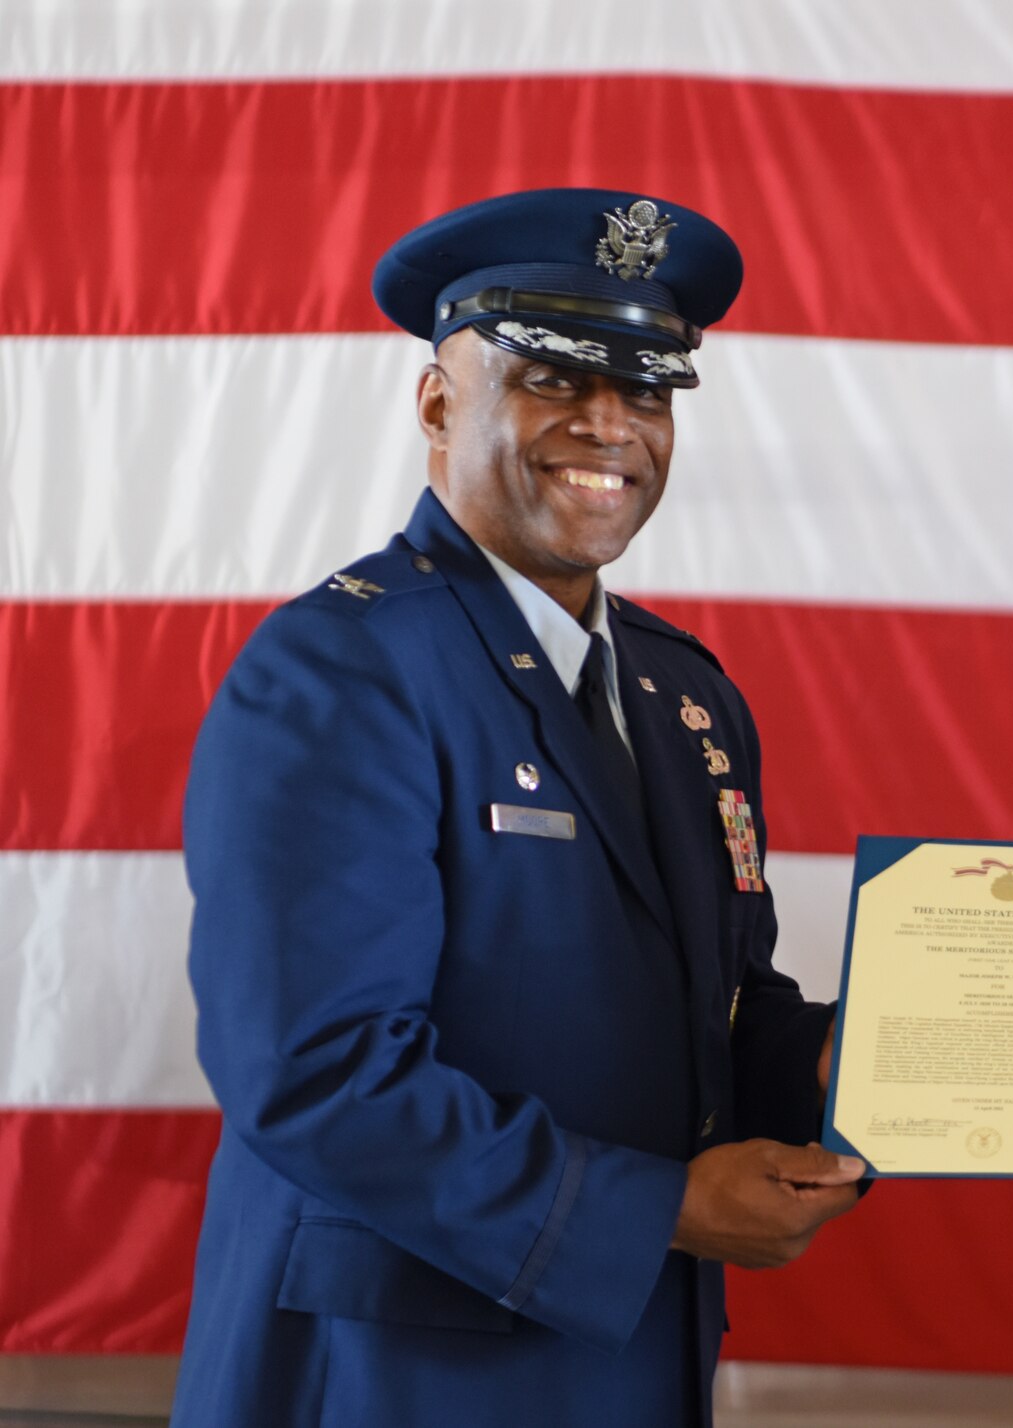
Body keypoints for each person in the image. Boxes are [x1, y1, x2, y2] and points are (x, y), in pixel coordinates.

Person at [171, 189, 863, 1428]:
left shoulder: (681, 693)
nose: (609, 425)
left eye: (646, 390)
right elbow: (314, 1072)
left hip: (631, 1352)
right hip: (397, 1371)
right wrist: (664, 1209)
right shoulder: (341, 671)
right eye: (552, 377)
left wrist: (865, 1062)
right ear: (439, 403)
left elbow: (718, 1008)